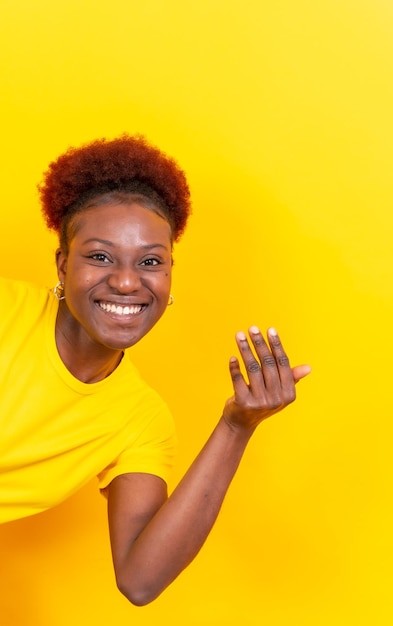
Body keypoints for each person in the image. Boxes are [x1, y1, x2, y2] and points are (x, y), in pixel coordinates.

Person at [0, 134, 311, 605]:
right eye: (100, 256)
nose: (127, 282)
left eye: (150, 262)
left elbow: (140, 580)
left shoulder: (140, 421)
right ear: (63, 266)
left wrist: (237, 426)